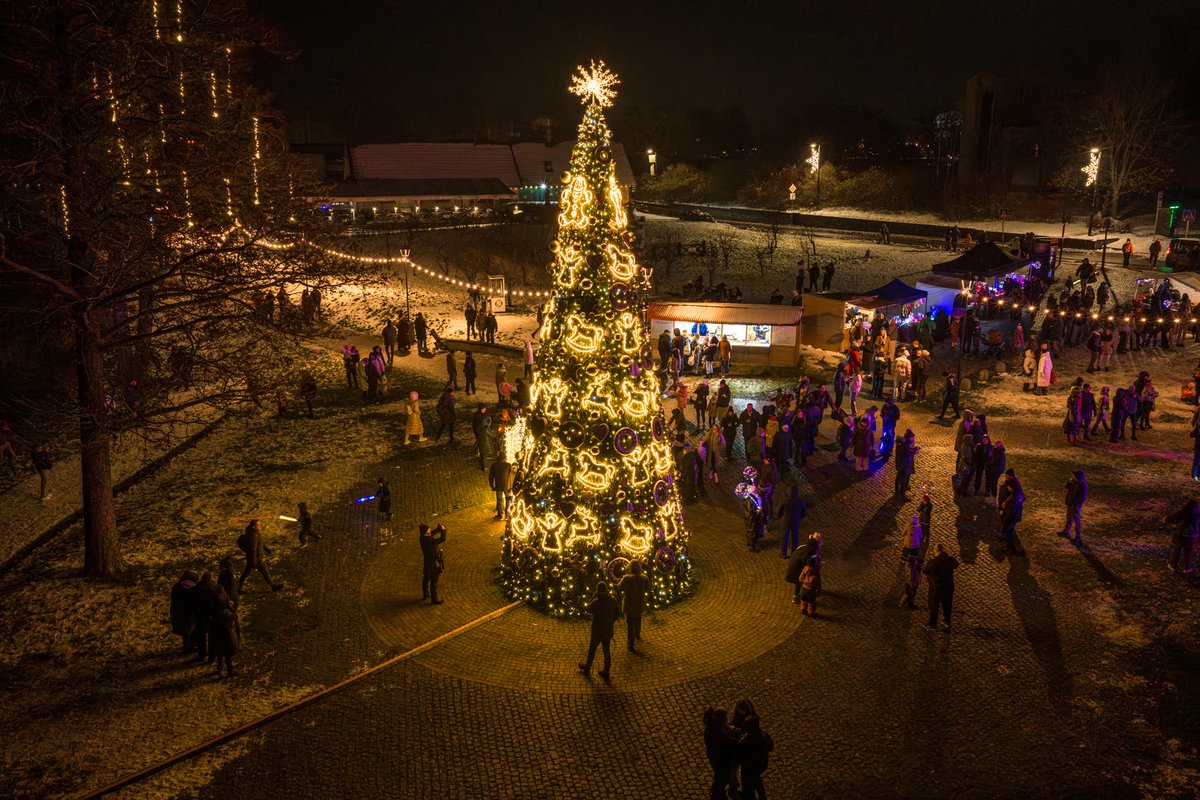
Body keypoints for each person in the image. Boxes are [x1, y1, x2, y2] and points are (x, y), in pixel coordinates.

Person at [579, 581, 619, 682]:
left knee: (592, 649)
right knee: (606, 651)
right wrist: (611, 621)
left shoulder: (595, 602)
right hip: (608, 629)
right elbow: (617, 613)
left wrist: (593, 596)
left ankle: (587, 668)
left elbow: (588, 609)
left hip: (597, 630)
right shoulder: (613, 600)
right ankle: (606, 671)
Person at [736, 715, 774, 800]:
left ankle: (749, 795)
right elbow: (771, 746)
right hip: (761, 764)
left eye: (745, 724)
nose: (743, 726)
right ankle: (762, 796)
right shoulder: (763, 734)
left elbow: (742, 755)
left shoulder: (749, 742)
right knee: (756, 779)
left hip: (750, 768)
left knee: (748, 784)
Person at [703, 707, 737, 800]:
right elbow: (726, 741)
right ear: (721, 719)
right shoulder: (716, 732)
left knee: (720, 775)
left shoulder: (715, 727)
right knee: (722, 776)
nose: (727, 719)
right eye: (725, 717)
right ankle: (717, 793)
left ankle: (718, 792)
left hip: (716, 756)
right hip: (719, 758)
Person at [923, 543, 958, 631]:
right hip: (949, 587)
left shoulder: (933, 563)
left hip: (937, 588)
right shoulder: (950, 560)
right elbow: (956, 564)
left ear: (935, 551)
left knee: (934, 606)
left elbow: (925, 570)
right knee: (947, 605)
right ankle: (947, 623)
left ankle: (932, 625)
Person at [617, 562, 649, 653]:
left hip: (630, 603)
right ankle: (637, 635)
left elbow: (619, 587)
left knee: (630, 625)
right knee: (638, 620)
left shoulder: (627, 578)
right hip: (639, 603)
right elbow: (648, 588)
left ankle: (630, 644)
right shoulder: (644, 577)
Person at [170, 571, 199, 654]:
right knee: (189, 630)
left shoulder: (176, 587)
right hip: (188, 613)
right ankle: (189, 646)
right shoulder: (192, 590)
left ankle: (187, 646)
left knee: (185, 631)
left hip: (178, 612)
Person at [1168, 499, 1200, 573]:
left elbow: (1173, 518)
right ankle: (1187, 568)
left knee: (1176, 550)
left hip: (1179, 534)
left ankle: (1172, 566)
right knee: (1187, 553)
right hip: (1191, 536)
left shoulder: (1182, 512)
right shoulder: (1198, 515)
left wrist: (1168, 520)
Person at [420, 523, 446, 604]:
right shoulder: (429, 540)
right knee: (434, 581)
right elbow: (442, 538)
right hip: (433, 563)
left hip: (427, 561)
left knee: (426, 578)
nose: (430, 529)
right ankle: (434, 600)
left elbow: (430, 534)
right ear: (425, 532)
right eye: (428, 529)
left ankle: (426, 594)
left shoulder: (422, 538)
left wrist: (438, 529)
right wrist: (443, 530)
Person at [1059, 470, 1088, 546]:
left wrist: (1075, 505)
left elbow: (1082, 498)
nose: (1072, 477)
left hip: (1075, 505)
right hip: (1070, 503)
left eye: (1074, 476)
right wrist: (1069, 482)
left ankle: (1078, 536)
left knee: (1076, 519)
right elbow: (1067, 487)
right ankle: (1066, 531)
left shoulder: (1083, 485)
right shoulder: (1074, 482)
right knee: (1069, 517)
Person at [780, 484, 807, 558]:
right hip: (795, 522)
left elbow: (779, 512)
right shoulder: (800, 501)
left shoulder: (785, 501)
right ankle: (794, 553)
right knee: (795, 538)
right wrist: (798, 517)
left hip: (785, 522)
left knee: (784, 538)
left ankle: (783, 554)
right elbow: (804, 513)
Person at [488, 453, 515, 520]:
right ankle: (507, 515)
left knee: (500, 500)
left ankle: (500, 515)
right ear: (504, 458)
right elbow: (511, 476)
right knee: (507, 499)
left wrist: (492, 485)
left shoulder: (494, 465)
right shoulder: (508, 465)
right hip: (507, 486)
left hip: (498, 485)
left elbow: (491, 476)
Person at [894, 429, 917, 496]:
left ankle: (903, 488)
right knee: (901, 477)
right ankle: (901, 491)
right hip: (903, 464)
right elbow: (906, 453)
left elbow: (909, 452)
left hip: (907, 463)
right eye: (912, 438)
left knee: (905, 476)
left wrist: (913, 450)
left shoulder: (907, 442)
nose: (913, 439)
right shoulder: (903, 443)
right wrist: (914, 451)